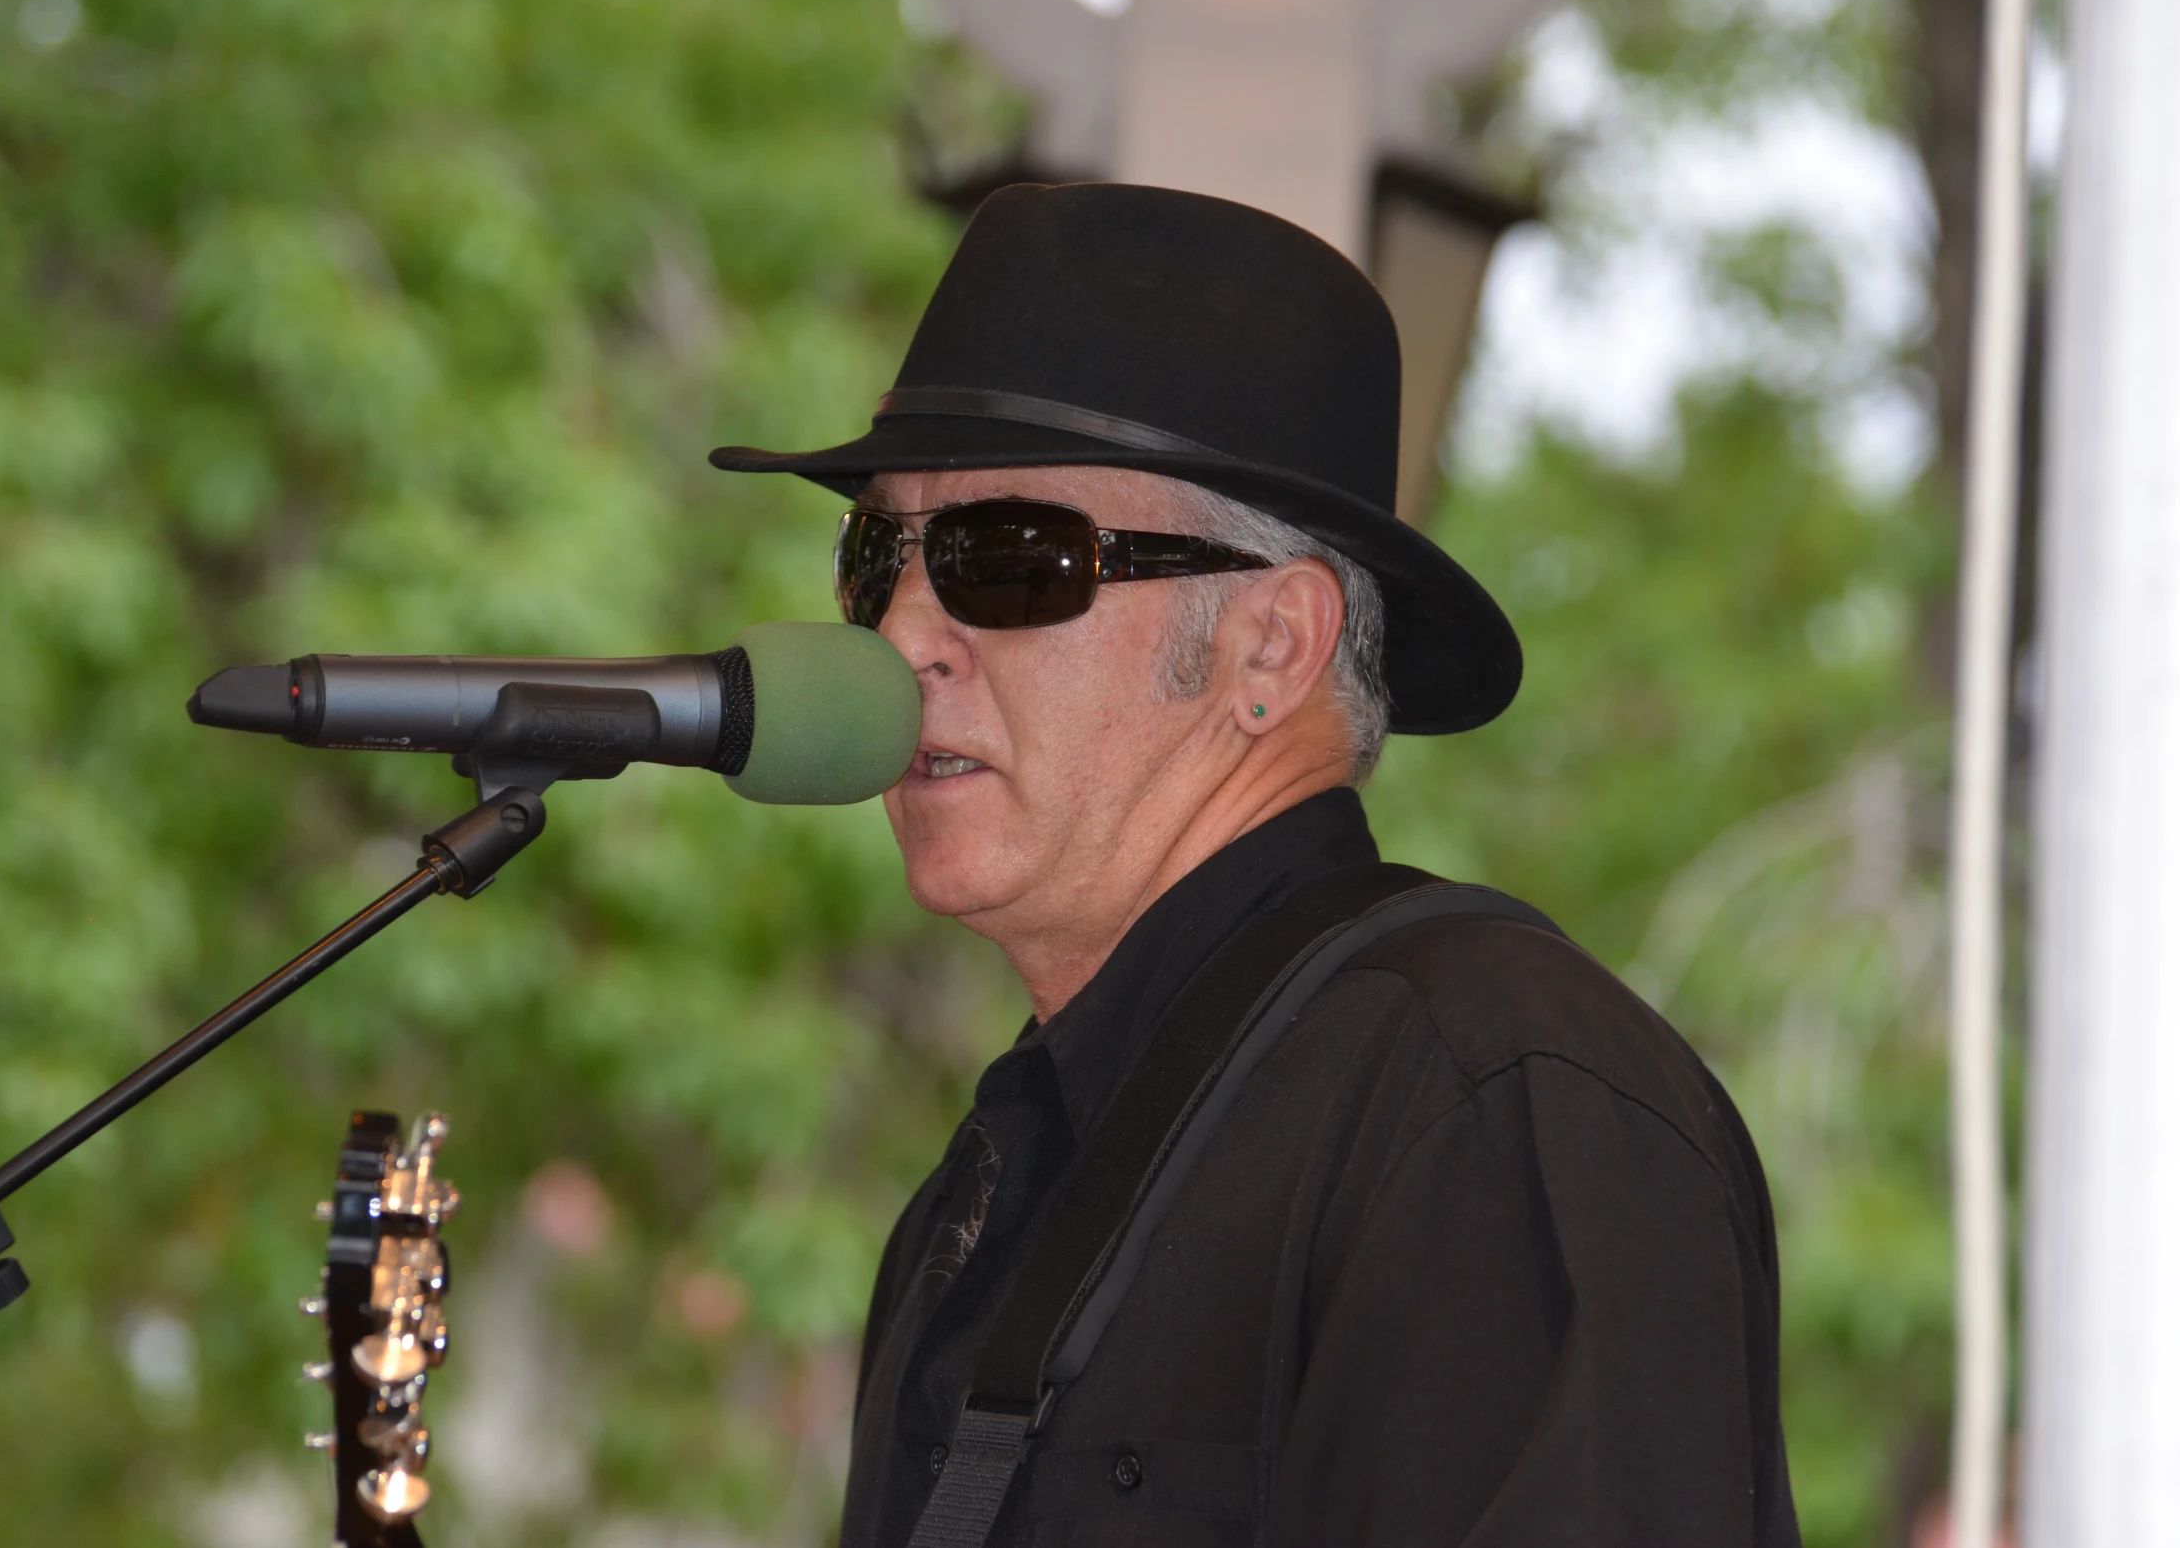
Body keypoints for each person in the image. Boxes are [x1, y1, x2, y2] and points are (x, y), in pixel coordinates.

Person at [712, 183, 1799, 1547]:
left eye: (1011, 556)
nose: (903, 633)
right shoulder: (1000, 1169)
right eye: (878, 554)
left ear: (1274, 647)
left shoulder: (1488, 1096)